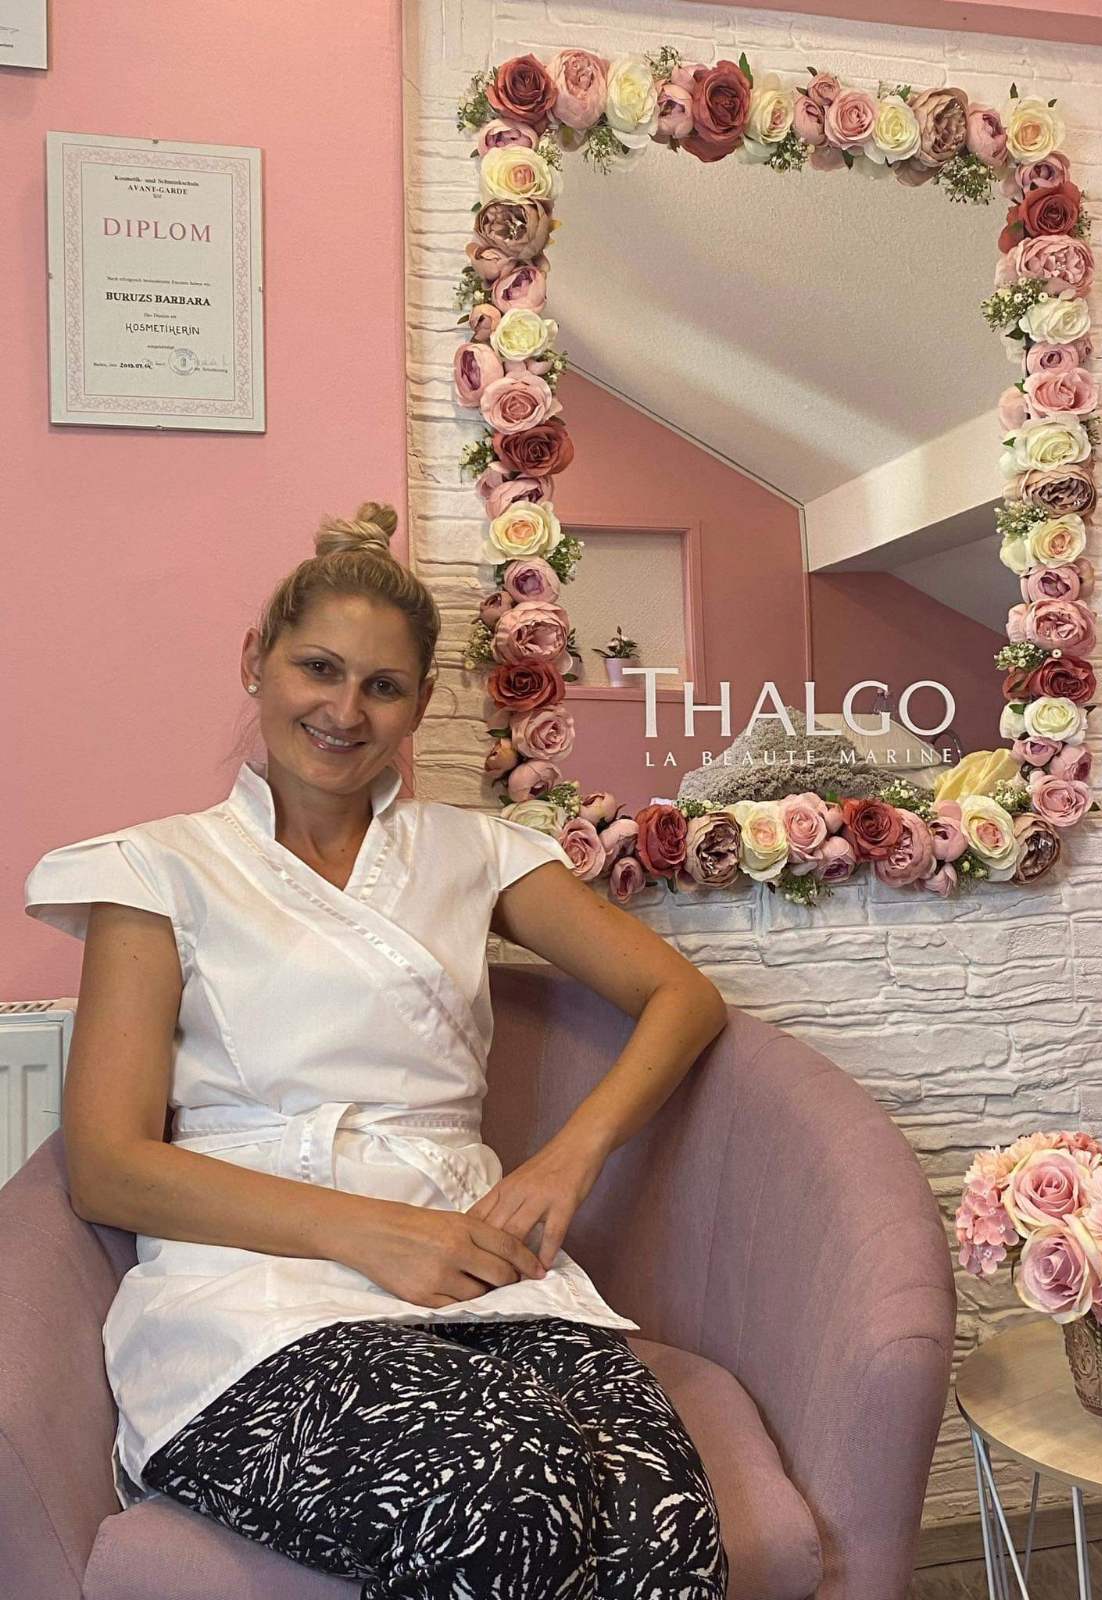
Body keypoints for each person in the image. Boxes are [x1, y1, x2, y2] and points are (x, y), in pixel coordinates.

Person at [24, 501, 731, 1600]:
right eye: (317, 668)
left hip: (478, 1267)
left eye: (383, 686)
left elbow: (680, 996)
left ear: (420, 704)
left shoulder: (479, 853)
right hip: (252, 1292)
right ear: (255, 662)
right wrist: (375, 1234)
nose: (344, 711)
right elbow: (108, 1166)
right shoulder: (156, 871)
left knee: (662, 1525)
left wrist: (564, 1161)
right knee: (502, 1488)